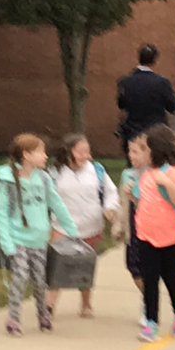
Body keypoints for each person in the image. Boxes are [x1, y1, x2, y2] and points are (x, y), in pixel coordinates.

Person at [0, 133, 80, 337]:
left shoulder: (43, 178)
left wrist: (71, 228)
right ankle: (13, 318)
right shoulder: (7, 181)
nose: (45, 156)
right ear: (26, 155)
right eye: (41, 152)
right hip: (18, 240)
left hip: (39, 239)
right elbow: (1, 214)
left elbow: (55, 203)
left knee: (40, 280)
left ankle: (43, 315)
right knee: (21, 277)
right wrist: (7, 244)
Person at [47, 133, 119, 319]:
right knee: (57, 265)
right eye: (80, 151)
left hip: (91, 227)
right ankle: (50, 305)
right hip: (61, 226)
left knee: (85, 266)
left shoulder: (97, 171)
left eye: (87, 151)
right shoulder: (56, 172)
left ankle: (86, 304)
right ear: (68, 152)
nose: (85, 155)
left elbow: (111, 192)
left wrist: (110, 208)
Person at [134, 125, 175, 343]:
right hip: (147, 235)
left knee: (170, 278)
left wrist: (167, 183)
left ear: (156, 150)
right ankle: (151, 323)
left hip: (171, 236)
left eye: (145, 149)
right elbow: (143, 201)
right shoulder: (147, 174)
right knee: (150, 280)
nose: (143, 153)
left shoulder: (174, 173)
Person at [117, 44, 175, 159]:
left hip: (133, 132)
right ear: (155, 61)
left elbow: (121, 105)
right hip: (156, 134)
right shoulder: (162, 83)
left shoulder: (126, 82)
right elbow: (173, 107)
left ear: (139, 58)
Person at [113, 133, 150, 318]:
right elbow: (122, 202)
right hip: (133, 225)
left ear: (147, 153)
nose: (131, 156)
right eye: (130, 152)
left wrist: (136, 196)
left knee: (150, 267)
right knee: (132, 265)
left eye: (135, 152)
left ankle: (150, 304)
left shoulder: (154, 174)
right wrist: (118, 224)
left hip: (151, 226)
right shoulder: (127, 174)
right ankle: (148, 297)